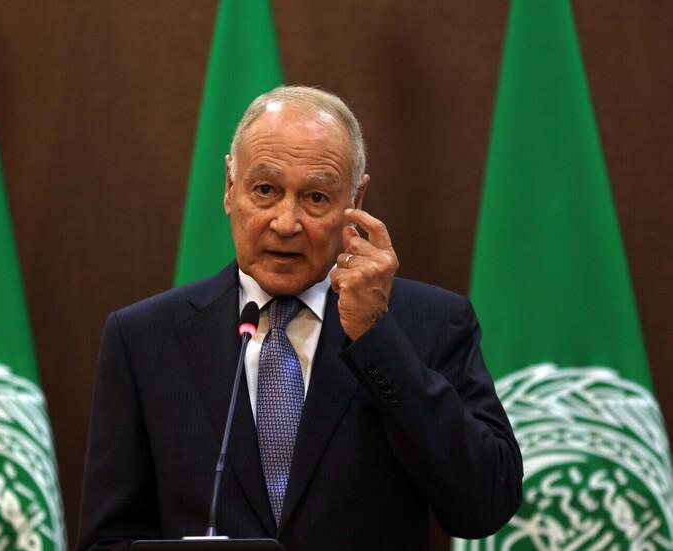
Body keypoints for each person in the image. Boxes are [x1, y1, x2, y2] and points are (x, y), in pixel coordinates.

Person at [76, 86, 522, 550]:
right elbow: (108, 540)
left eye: (316, 197)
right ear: (229, 187)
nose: (286, 223)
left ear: (356, 200)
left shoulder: (429, 323)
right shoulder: (145, 339)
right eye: (265, 190)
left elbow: (485, 504)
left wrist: (376, 338)